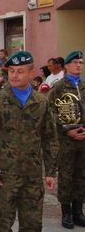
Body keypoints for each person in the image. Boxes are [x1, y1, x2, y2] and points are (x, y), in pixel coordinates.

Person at [0, 50, 59, 232]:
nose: (14, 75)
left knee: (33, 224)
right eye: (12, 70)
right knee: (4, 224)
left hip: (32, 175)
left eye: (20, 71)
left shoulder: (41, 102)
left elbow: (50, 138)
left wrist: (51, 171)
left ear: (31, 72)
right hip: (4, 175)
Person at [47, 50, 85, 229]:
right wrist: (66, 130)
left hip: (84, 138)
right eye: (76, 62)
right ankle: (67, 212)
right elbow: (51, 113)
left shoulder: (84, 86)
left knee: (81, 176)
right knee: (67, 176)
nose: (79, 65)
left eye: (81, 62)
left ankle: (79, 211)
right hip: (67, 139)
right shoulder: (59, 87)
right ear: (67, 66)